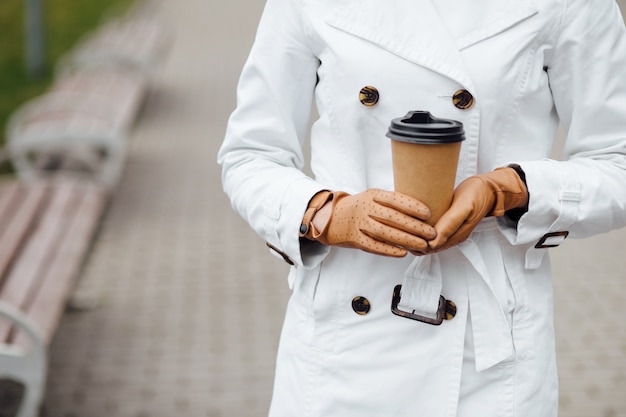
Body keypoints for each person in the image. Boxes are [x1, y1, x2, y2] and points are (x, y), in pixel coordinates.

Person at [217, 0, 626, 415]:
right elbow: (250, 154)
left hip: (488, 355)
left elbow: (617, 161)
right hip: (341, 343)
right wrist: (328, 214)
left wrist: (509, 190)